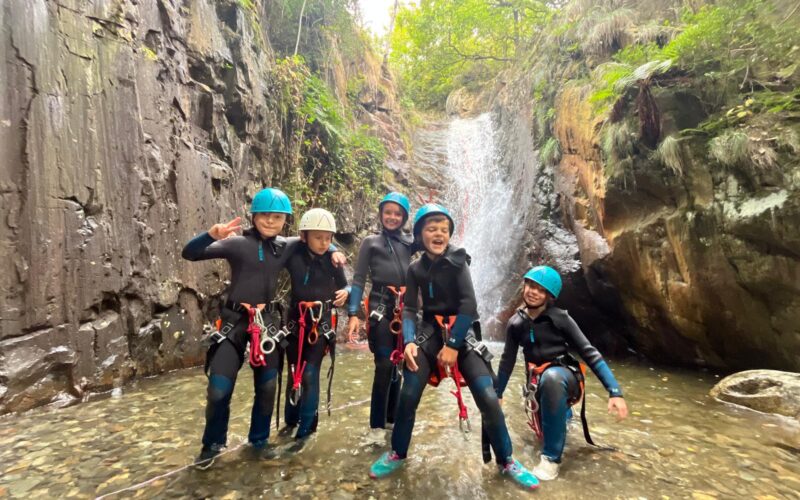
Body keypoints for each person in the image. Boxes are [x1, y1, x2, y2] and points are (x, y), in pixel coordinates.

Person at [368, 203, 540, 490]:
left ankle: (507, 459)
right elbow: (410, 308)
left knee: (487, 395)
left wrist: (454, 345)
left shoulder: (459, 261)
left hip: (463, 333)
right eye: (431, 229)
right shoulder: (415, 269)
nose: (438, 234)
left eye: (444, 230)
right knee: (409, 392)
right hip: (429, 332)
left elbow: (468, 305)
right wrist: (409, 342)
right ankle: (397, 452)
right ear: (420, 234)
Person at [181, 188, 345, 468]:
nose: (270, 221)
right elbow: (190, 254)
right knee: (218, 389)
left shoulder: (287, 245)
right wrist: (211, 235)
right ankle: (213, 445)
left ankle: (258, 442)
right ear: (254, 216)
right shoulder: (236, 244)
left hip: (268, 322)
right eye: (265, 215)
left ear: (285, 220)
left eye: (278, 217)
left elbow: (317, 238)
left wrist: (335, 251)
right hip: (234, 321)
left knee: (268, 386)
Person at [495, 266, 629, 480]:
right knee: (544, 428)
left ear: (549, 296)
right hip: (537, 380)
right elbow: (506, 361)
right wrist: (497, 393)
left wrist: (615, 391)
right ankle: (564, 416)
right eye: (530, 285)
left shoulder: (561, 318)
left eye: (540, 289)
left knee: (552, 379)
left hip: (564, 375)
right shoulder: (516, 323)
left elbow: (590, 353)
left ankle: (551, 460)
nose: (533, 292)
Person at [346, 192, 415, 443]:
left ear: (405, 217)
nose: (392, 217)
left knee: (401, 365)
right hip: (380, 307)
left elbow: (435, 243)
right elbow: (358, 278)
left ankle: (392, 420)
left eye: (398, 213)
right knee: (385, 364)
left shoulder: (410, 242)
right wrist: (354, 313)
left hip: (405, 308)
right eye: (388, 212)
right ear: (381, 214)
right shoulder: (370, 242)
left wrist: (457, 255)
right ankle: (376, 427)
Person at [280, 208, 349, 452]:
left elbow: (344, 286)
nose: (324, 243)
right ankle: (289, 421)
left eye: (328, 238)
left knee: (309, 374)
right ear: (304, 236)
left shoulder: (332, 260)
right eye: (318, 237)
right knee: (293, 373)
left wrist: (347, 292)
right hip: (295, 323)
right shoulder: (292, 252)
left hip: (319, 325)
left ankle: (306, 429)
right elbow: (274, 245)